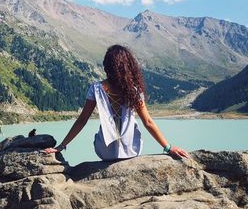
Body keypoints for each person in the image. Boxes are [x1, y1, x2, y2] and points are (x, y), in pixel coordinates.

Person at [45, 45, 188, 159]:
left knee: (99, 133)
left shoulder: (95, 88)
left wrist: (61, 146)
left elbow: (82, 120)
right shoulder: (135, 91)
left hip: (105, 152)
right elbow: (148, 122)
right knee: (135, 123)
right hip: (132, 149)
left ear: (106, 66)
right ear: (128, 66)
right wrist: (168, 148)